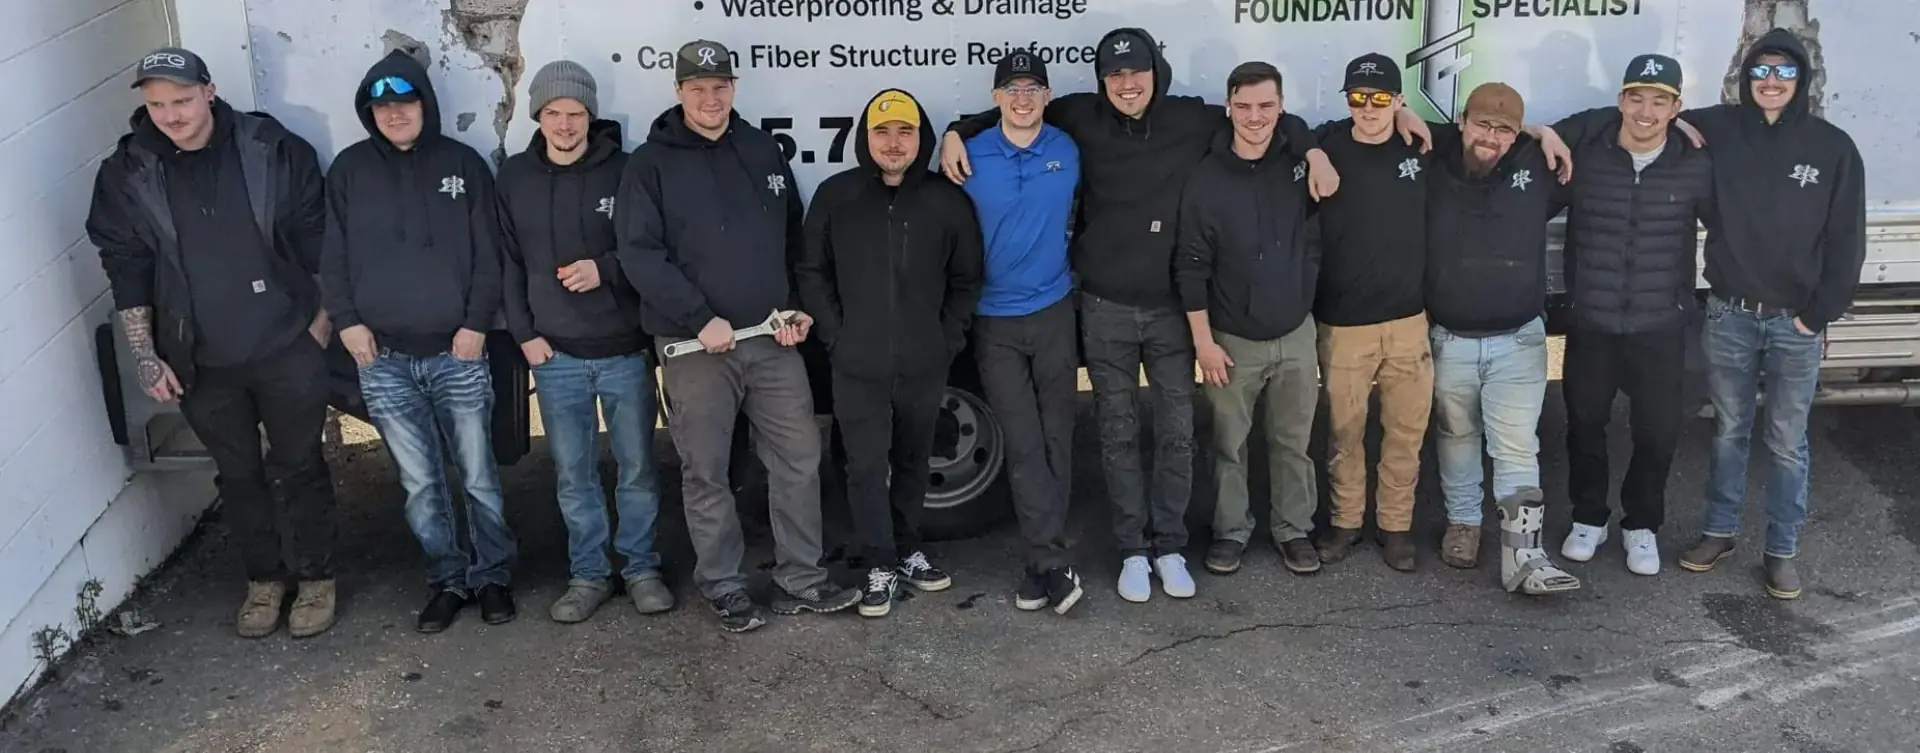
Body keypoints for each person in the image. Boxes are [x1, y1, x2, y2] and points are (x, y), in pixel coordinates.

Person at [940, 28, 1338, 603]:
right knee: (1117, 433)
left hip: (1172, 310)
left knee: (1177, 433)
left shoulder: (1191, 119)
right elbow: (1015, 107)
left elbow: (1265, 119)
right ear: (1102, 80)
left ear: (1157, 71)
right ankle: (1131, 549)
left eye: (1137, 72)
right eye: (1115, 74)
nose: (1127, 84)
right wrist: (957, 130)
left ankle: (1169, 546)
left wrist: (1314, 149)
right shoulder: (1080, 116)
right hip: (1104, 309)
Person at [1541, 29, 1865, 599]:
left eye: (1784, 72)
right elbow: (1539, 180)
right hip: (1623, 318)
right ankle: (1613, 521)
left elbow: (1822, 234)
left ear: (1677, 108)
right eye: (1760, 70)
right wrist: (1545, 130)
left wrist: (1818, 314)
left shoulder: (1736, 156)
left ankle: (1670, 531)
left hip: (1694, 323)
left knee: (1695, 435)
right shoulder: (1607, 152)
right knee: (1602, 425)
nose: (1647, 111)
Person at [88, 47, 341, 639]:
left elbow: (321, 239)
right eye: (157, 105)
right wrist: (146, 355)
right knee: (238, 472)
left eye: (181, 100)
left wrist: (323, 322)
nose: (171, 115)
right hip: (200, 356)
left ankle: (317, 577)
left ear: (209, 90)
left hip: (286, 344)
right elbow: (126, 266)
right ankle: (264, 580)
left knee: (300, 464)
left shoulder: (271, 148)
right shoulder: (127, 172)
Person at [616, 40, 859, 633]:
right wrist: (699, 317)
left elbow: (793, 237)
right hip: (697, 348)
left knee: (799, 458)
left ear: (734, 88)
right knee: (707, 471)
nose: (710, 98)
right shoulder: (649, 164)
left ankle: (800, 578)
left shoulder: (761, 149)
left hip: (771, 342)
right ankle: (724, 586)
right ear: (678, 91)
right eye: (697, 88)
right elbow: (639, 254)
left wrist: (797, 306)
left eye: (720, 86)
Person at [321, 50, 518, 633]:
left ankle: (492, 576)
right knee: (420, 483)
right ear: (369, 113)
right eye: (382, 106)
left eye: (405, 103)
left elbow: (490, 256)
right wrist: (347, 321)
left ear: (425, 105)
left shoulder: (463, 164)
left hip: (458, 351)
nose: (394, 114)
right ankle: (448, 580)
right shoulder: (349, 171)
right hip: (382, 358)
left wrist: (476, 325)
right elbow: (332, 257)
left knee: (478, 475)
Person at [796, 88, 985, 618]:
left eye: (905, 131)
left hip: (924, 361)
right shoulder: (836, 196)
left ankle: (906, 549)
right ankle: (877, 561)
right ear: (866, 139)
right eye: (882, 132)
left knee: (912, 460)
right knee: (864, 465)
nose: (894, 143)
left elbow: (967, 280)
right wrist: (838, 336)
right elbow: (812, 271)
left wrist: (946, 340)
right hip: (857, 362)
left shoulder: (947, 201)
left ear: (921, 138)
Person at [497, 61, 672, 622]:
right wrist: (525, 335)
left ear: (591, 116)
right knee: (574, 475)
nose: (565, 124)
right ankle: (589, 575)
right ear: (538, 115)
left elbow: (652, 246)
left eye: (575, 113)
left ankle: (641, 568)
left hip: (623, 351)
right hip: (555, 356)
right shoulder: (515, 177)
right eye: (553, 112)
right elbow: (506, 263)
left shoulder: (626, 170)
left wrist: (606, 269)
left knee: (637, 469)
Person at [1548, 55, 1713, 577]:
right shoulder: (1585, 157)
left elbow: (1736, 225)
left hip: (1659, 324)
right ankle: (1588, 517)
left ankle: (1641, 524)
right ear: (1620, 100)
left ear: (1676, 108)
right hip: (1592, 321)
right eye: (1636, 98)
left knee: (1657, 432)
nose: (1646, 111)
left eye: (1660, 101)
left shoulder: (1695, 164)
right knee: (1584, 424)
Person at [1424, 83, 1577, 595]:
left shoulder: (1538, 164)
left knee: (1515, 446)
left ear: (1517, 135)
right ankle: (1463, 524)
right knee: (1456, 435)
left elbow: (1612, 127)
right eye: (1481, 125)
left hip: (1518, 339)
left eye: (1504, 129)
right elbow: (1382, 125)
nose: (1490, 138)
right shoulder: (1434, 157)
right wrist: (1533, 127)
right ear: (1461, 122)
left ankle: (1524, 555)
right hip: (1451, 337)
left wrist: (1540, 132)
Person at [1175, 62, 1321, 580]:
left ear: (1280, 108)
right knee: (1228, 445)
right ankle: (1230, 532)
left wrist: (1315, 153)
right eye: (1243, 106)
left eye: (1265, 106)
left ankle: (1294, 529)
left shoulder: (1299, 160)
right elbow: (1190, 265)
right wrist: (1203, 343)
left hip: (1296, 332)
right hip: (1232, 339)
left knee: (1294, 443)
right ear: (1228, 107)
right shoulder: (1206, 178)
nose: (1254, 117)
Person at [953, 51, 1086, 614]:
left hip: (1054, 311)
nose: (1023, 99)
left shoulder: (1068, 148)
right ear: (995, 98)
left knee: (1058, 437)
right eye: (1012, 89)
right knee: (1025, 441)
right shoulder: (971, 154)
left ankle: (1043, 563)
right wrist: (955, 133)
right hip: (995, 320)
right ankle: (1051, 561)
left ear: (1048, 96)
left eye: (1033, 89)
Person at [1303, 53, 1434, 573]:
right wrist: (1314, 153)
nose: (1370, 108)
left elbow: (1488, 132)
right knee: (1344, 434)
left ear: (1399, 100)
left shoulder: (1421, 145)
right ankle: (1346, 522)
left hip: (1408, 321)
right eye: (1358, 97)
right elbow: (1284, 129)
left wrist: (1541, 132)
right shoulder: (1327, 144)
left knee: (1405, 433)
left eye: (1382, 98)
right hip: (1343, 323)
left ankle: (1395, 527)